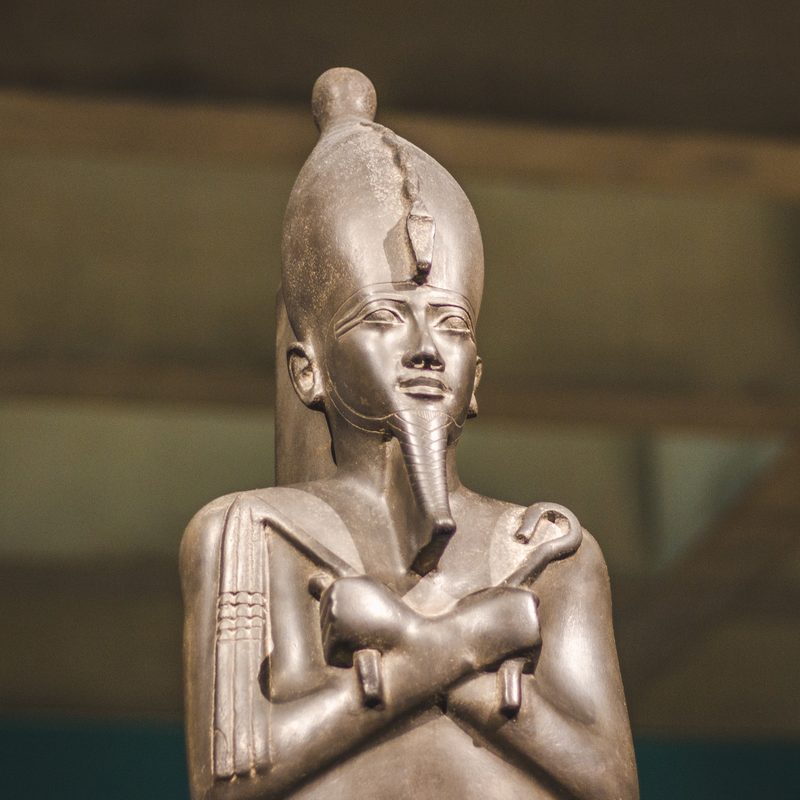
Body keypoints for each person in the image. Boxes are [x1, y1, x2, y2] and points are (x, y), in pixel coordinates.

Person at [181, 68, 638, 800]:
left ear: (476, 375)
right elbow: (237, 773)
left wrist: (401, 645)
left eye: (451, 324)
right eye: (384, 318)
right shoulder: (254, 535)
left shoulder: (552, 553)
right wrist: (473, 643)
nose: (425, 349)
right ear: (308, 372)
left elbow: (608, 781)